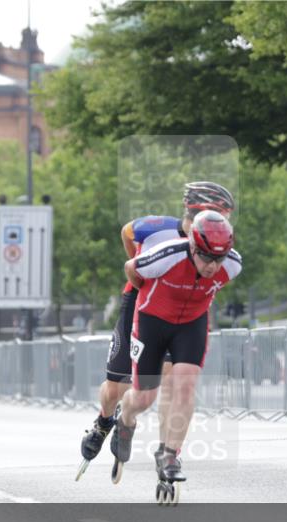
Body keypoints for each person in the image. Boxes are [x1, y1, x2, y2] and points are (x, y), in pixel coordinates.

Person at [76, 182, 235, 480]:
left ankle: (168, 451)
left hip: (178, 309)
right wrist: (141, 276)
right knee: (115, 388)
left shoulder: (215, 246)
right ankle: (104, 420)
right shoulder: (157, 227)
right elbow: (127, 233)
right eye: (219, 214)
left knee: (174, 381)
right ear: (198, 212)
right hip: (140, 300)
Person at [109, 210, 241, 503]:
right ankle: (125, 417)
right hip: (152, 321)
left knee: (185, 384)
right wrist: (148, 293)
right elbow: (131, 267)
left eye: (218, 259)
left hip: (191, 324)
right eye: (206, 257)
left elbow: (214, 281)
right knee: (144, 398)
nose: (212, 265)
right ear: (193, 245)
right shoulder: (166, 255)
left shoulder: (232, 265)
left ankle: (170, 456)